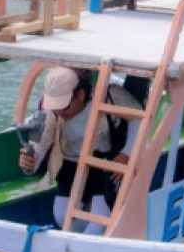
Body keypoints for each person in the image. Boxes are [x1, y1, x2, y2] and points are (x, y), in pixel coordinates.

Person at [19, 67, 141, 235]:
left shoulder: (110, 95)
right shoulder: (51, 112)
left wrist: (127, 153)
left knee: (98, 220)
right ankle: (80, 247)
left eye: (65, 107)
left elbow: (138, 119)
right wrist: (30, 162)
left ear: (81, 95)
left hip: (104, 162)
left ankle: (86, 246)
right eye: (56, 108)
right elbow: (41, 141)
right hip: (71, 163)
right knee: (61, 216)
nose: (60, 113)